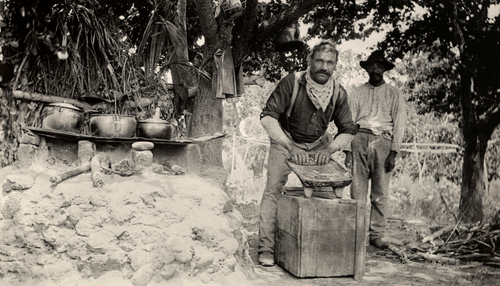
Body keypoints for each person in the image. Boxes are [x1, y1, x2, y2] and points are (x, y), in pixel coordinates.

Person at [258, 40, 357, 267]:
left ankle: (322, 250)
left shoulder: (338, 92)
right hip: (286, 141)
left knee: (329, 195)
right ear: (310, 61)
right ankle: (266, 249)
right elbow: (267, 116)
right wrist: (290, 147)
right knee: (273, 190)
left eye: (329, 63)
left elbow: (348, 129)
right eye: (320, 61)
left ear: (335, 66)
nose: (324, 66)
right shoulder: (291, 82)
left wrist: (329, 149)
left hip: (318, 145)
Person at [344, 50, 406, 249]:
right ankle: (358, 234)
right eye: (372, 66)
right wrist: (347, 151)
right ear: (367, 69)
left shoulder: (394, 93)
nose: (375, 69)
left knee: (380, 192)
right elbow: (348, 121)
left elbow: (400, 123)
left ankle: (376, 234)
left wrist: (394, 152)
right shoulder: (357, 92)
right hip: (359, 139)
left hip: (383, 141)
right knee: (357, 190)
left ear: (384, 69)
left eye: (380, 66)